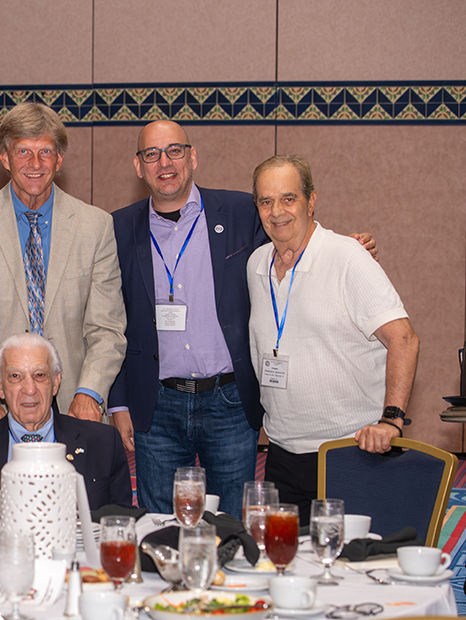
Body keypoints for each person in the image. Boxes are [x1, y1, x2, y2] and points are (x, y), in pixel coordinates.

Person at [107, 120, 376, 518]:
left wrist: (340, 250)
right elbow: (111, 319)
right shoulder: (117, 227)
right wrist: (118, 403)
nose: (165, 162)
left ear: (192, 157)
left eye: (175, 151)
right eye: (152, 154)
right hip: (156, 404)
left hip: (229, 401)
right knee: (161, 525)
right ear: (138, 166)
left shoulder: (240, 212)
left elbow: (291, 240)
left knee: (233, 525)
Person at [247, 155, 418, 524]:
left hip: (350, 452)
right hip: (281, 453)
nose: (277, 212)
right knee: (285, 555)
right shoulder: (256, 264)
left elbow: (404, 338)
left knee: (350, 557)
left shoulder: (347, 256)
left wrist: (391, 420)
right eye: (266, 201)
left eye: (288, 198)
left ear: (311, 201)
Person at [0, 102, 125, 432]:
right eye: (23, 151)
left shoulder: (95, 226)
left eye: (45, 152)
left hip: (75, 407)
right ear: (5, 158)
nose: (35, 163)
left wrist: (89, 393)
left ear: (59, 160)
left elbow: (106, 329)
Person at [0, 333, 133, 512]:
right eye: (16, 377)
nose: (30, 389)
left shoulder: (103, 443)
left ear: (56, 382)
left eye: (39, 375)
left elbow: (122, 522)